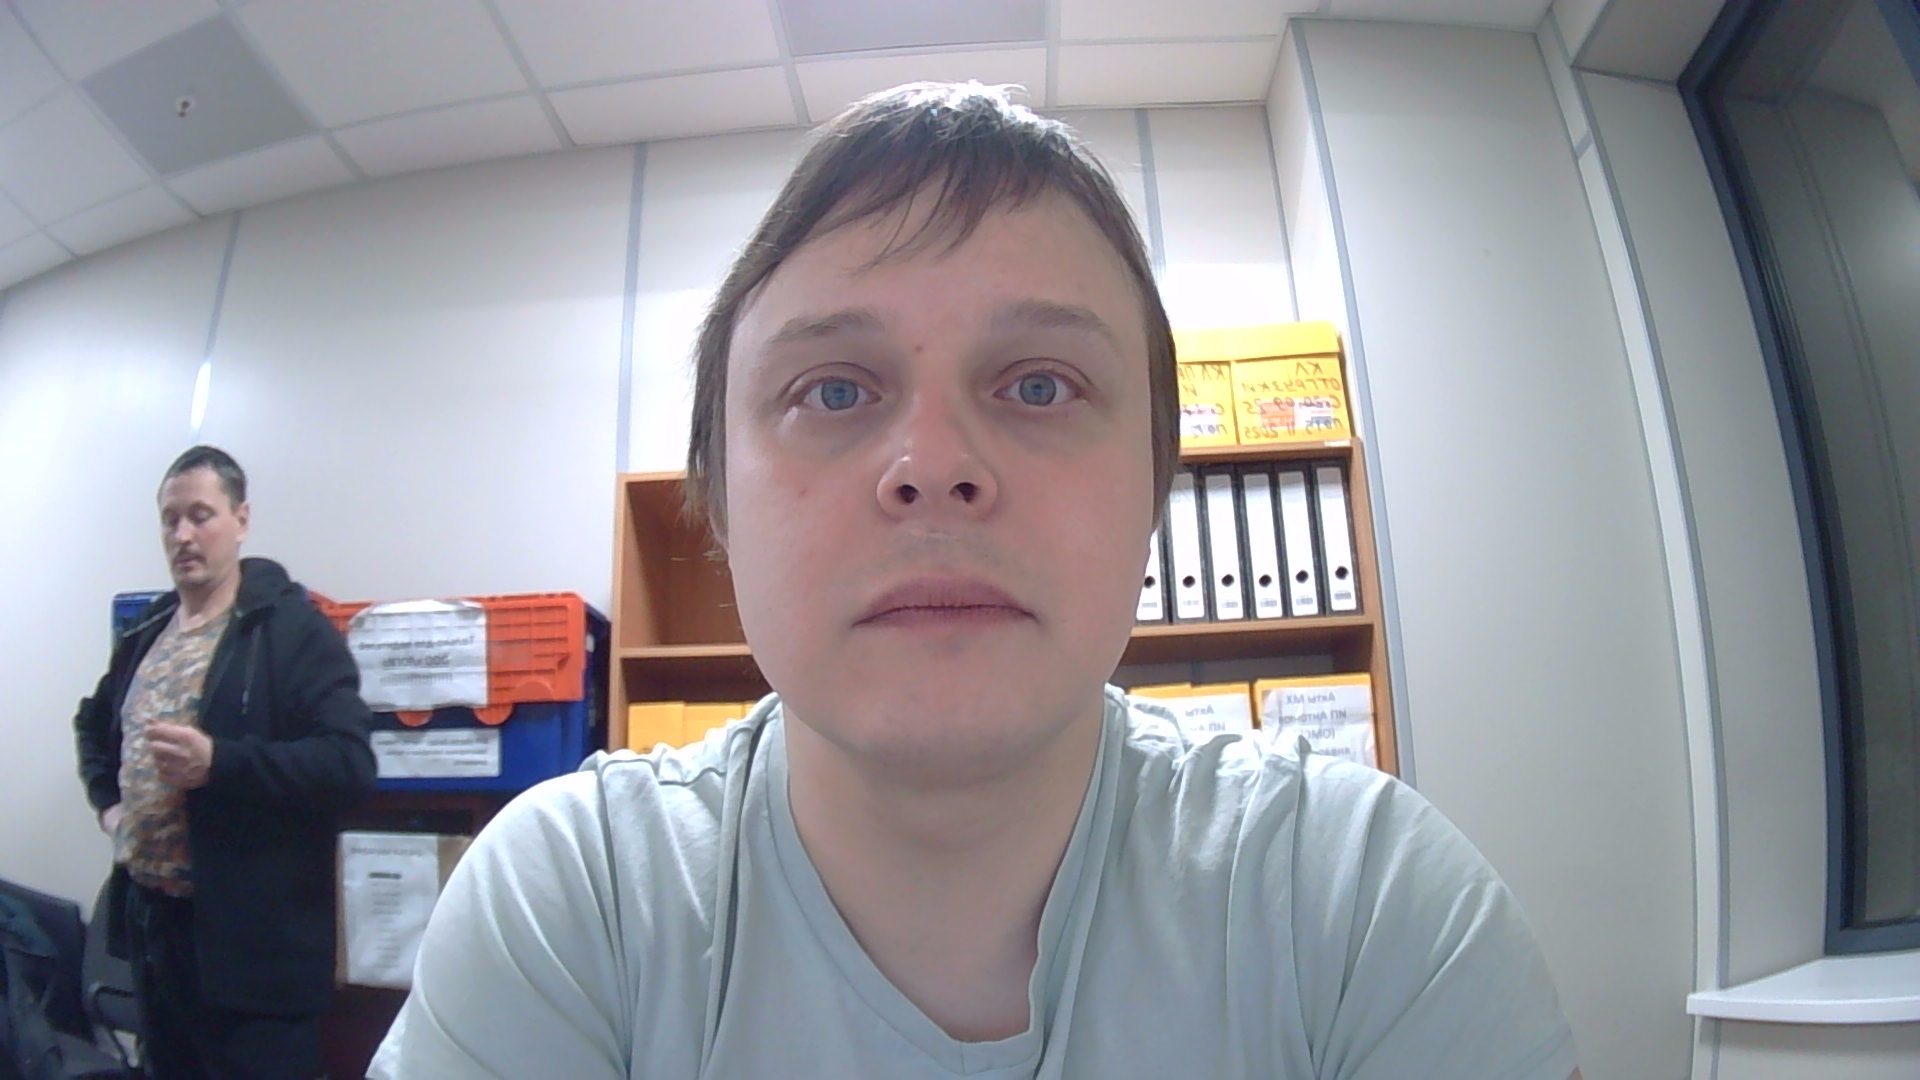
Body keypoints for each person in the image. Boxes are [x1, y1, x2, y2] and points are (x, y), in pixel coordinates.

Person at [371, 83, 1582, 1079]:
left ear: (1153, 490)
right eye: (832, 390)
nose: (934, 466)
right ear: (719, 506)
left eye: (1040, 385)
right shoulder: (571, 905)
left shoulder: (1366, 901)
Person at [74, 445, 377, 1080]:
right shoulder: (147, 633)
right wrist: (110, 808)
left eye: (200, 515)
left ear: (241, 520)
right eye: (170, 519)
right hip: (157, 931)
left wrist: (220, 763)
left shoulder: (291, 630)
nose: (183, 535)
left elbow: (348, 766)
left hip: (256, 950)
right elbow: (93, 726)